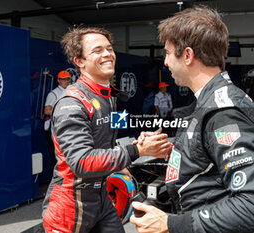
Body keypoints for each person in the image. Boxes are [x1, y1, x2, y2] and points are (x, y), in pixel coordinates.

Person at [130, 5, 254, 233]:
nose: (166, 62)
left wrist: (169, 224)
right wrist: (168, 150)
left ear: (187, 55)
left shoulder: (224, 112)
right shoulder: (208, 102)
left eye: (168, 53)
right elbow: (210, 157)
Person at [42, 27, 171, 233]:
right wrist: (138, 151)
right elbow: (82, 162)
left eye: (109, 48)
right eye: (97, 50)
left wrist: (136, 145)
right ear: (80, 61)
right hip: (71, 203)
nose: (107, 54)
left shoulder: (109, 97)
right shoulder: (71, 103)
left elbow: (108, 145)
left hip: (101, 196)